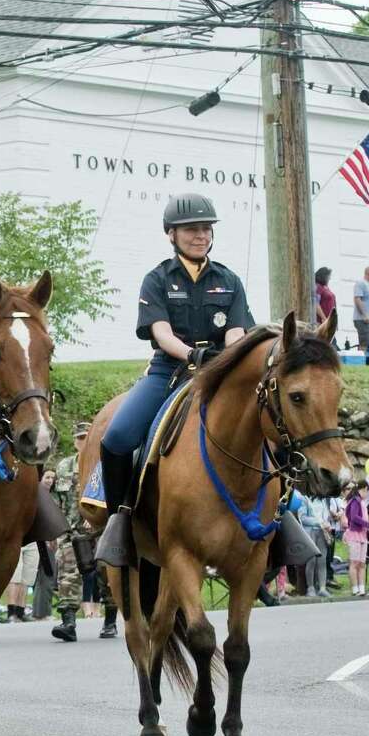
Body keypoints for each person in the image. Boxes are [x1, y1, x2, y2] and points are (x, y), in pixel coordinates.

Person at [96, 195, 253, 565]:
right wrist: (190, 353)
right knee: (117, 438)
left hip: (221, 372)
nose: (200, 235)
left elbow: (237, 330)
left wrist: (229, 355)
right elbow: (161, 332)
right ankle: (119, 520)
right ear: (171, 234)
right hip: (170, 371)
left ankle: (280, 519)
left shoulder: (229, 280)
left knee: (268, 427)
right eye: (191, 229)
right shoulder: (157, 279)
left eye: (205, 228)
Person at [51, 421, 118, 641]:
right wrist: (57, 531)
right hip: (71, 531)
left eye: (86, 437)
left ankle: (110, 622)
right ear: (74, 441)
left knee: (105, 574)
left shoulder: (104, 464)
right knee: (68, 575)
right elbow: (56, 502)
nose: (83, 442)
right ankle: (68, 622)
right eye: (79, 438)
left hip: (100, 529)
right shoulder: (64, 467)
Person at [294, 492, 329, 598]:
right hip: (310, 532)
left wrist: (326, 523)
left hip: (322, 532)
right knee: (311, 560)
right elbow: (303, 518)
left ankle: (322, 588)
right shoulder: (304, 499)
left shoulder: (322, 500)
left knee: (322, 560)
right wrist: (318, 522)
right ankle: (311, 588)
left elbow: (325, 515)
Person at [344, 481, 369, 598]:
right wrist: (368, 523)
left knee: (362, 563)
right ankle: (355, 589)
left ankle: (362, 588)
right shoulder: (355, 501)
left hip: (362, 535)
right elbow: (354, 517)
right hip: (354, 534)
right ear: (364, 489)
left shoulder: (362, 502)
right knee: (354, 562)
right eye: (367, 491)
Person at [353, 266, 369, 352]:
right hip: (363, 319)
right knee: (364, 343)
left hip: (368, 319)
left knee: (366, 343)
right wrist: (364, 315)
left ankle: (362, 362)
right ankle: (360, 363)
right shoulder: (361, 283)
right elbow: (357, 299)